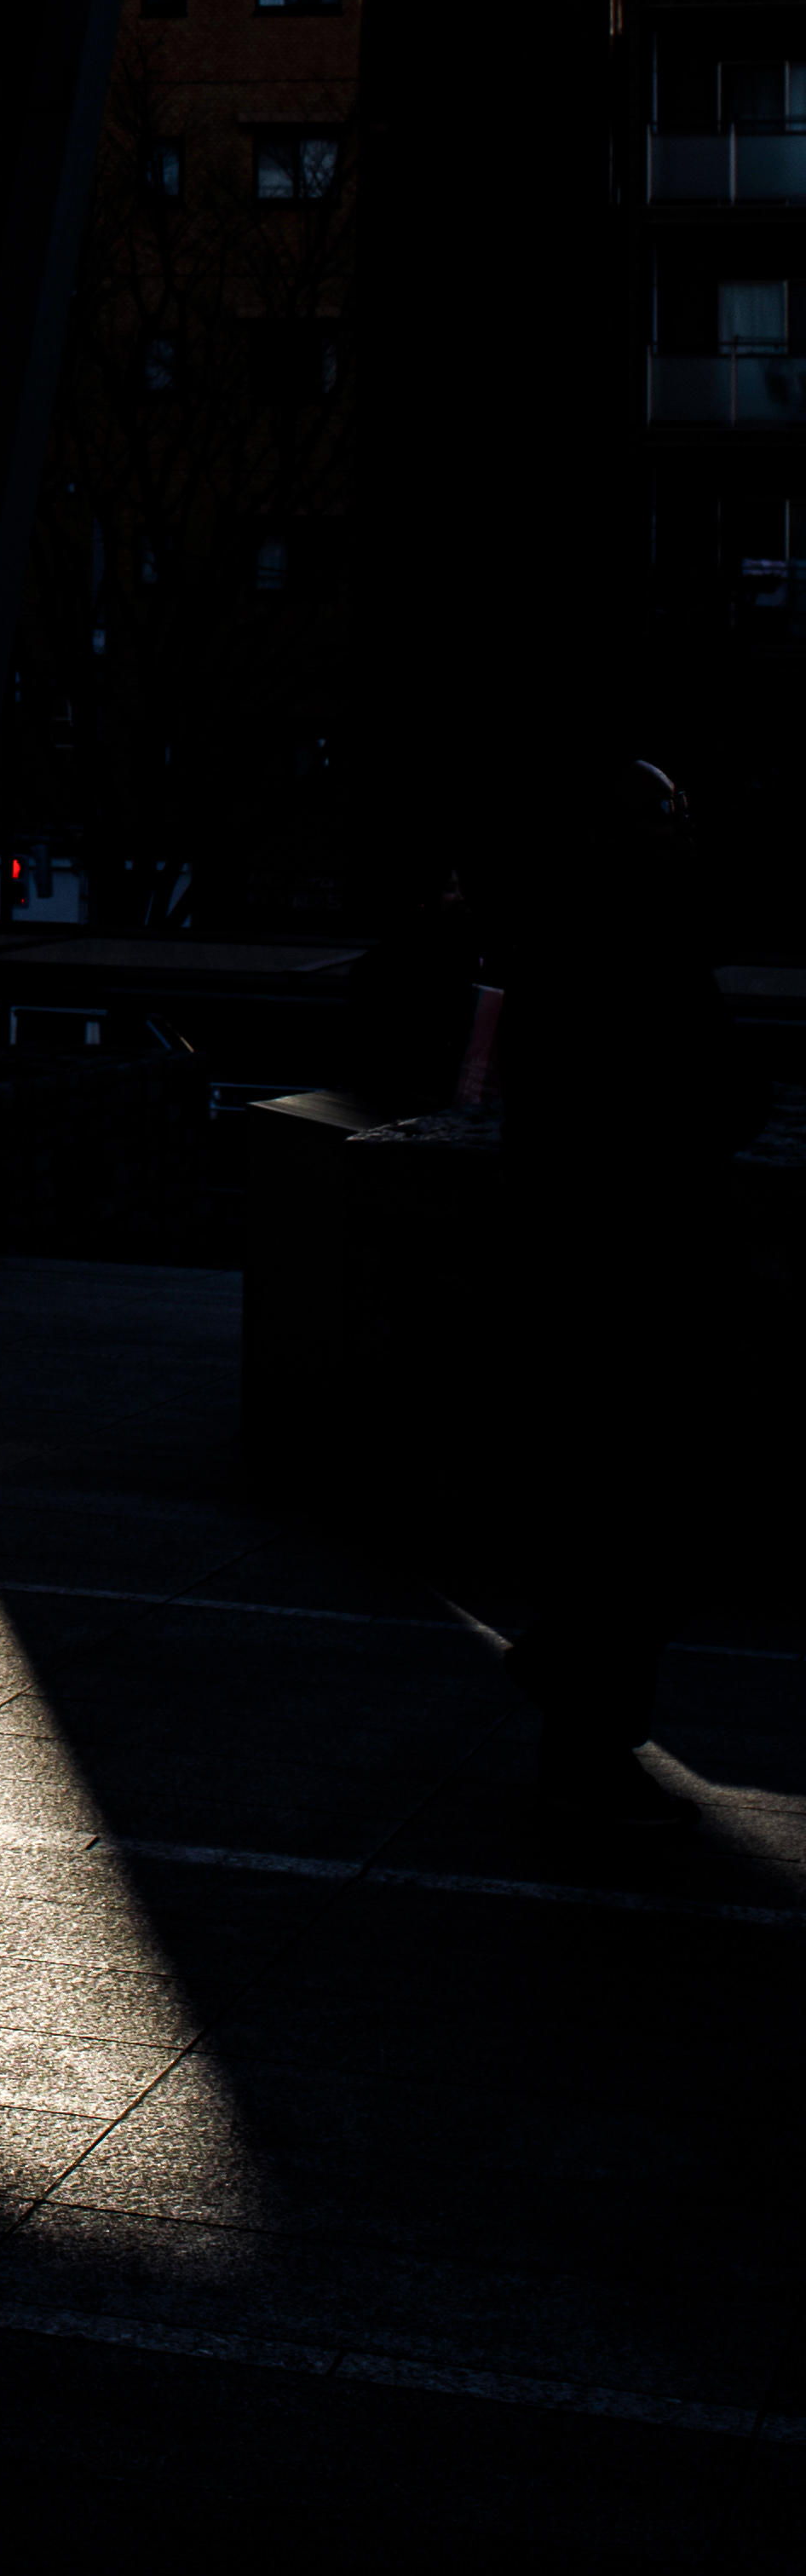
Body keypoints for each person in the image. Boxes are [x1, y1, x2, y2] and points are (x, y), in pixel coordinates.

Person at [489, 757, 734, 1797]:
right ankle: (584, 1727)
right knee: (646, 1525)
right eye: (662, 817)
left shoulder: (574, 952)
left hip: (597, 1269)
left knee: (625, 1523)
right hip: (629, 1272)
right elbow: (705, 1093)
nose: (678, 831)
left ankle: (580, 1711)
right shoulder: (635, 954)